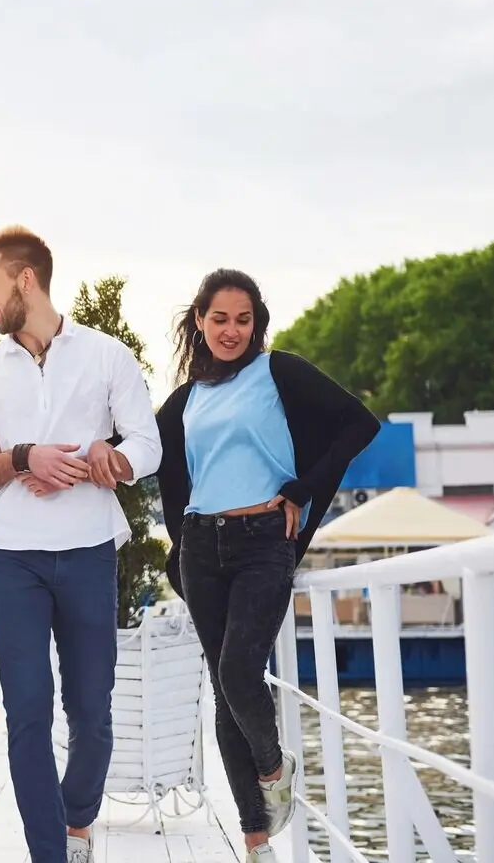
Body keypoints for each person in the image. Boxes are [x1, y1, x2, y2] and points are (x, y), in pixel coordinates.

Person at [0, 226, 162, 863]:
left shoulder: (106, 357)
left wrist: (108, 457)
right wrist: (24, 458)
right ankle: (49, 852)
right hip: (11, 556)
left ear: (25, 279)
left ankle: (76, 821)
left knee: (93, 712)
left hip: (89, 549)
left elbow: (146, 447)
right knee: (27, 713)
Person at [154, 269, 379, 863]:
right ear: (199, 321)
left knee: (236, 673)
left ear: (258, 323)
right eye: (220, 318)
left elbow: (361, 423)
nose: (232, 331)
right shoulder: (184, 399)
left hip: (262, 542)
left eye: (243, 319)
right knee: (225, 699)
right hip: (201, 547)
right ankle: (256, 841)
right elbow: (149, 460)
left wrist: (301, 490)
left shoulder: (279, 371)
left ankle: (275, 770)